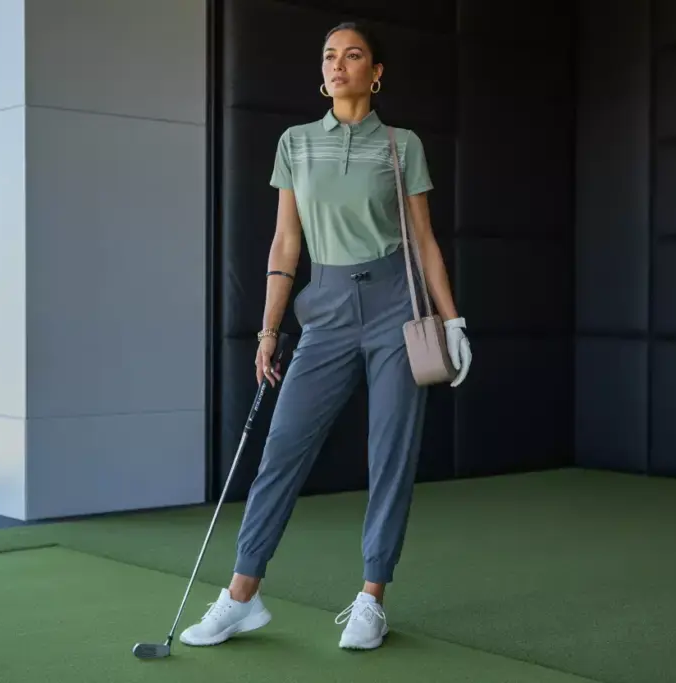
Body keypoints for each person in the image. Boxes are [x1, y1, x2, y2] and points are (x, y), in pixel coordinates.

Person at [179, 21, 472, 651]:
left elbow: (423, 240)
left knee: (389, 454)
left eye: (354, 55)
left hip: (398, 305)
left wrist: (453, 320)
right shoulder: (295, 143)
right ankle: (241, 597)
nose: (339, 65)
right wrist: (267, 327)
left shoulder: (402, 144)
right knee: (281, 450)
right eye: (330, 56)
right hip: (328, 310)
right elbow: (287, 241)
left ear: (377, 72)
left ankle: (372, 599)